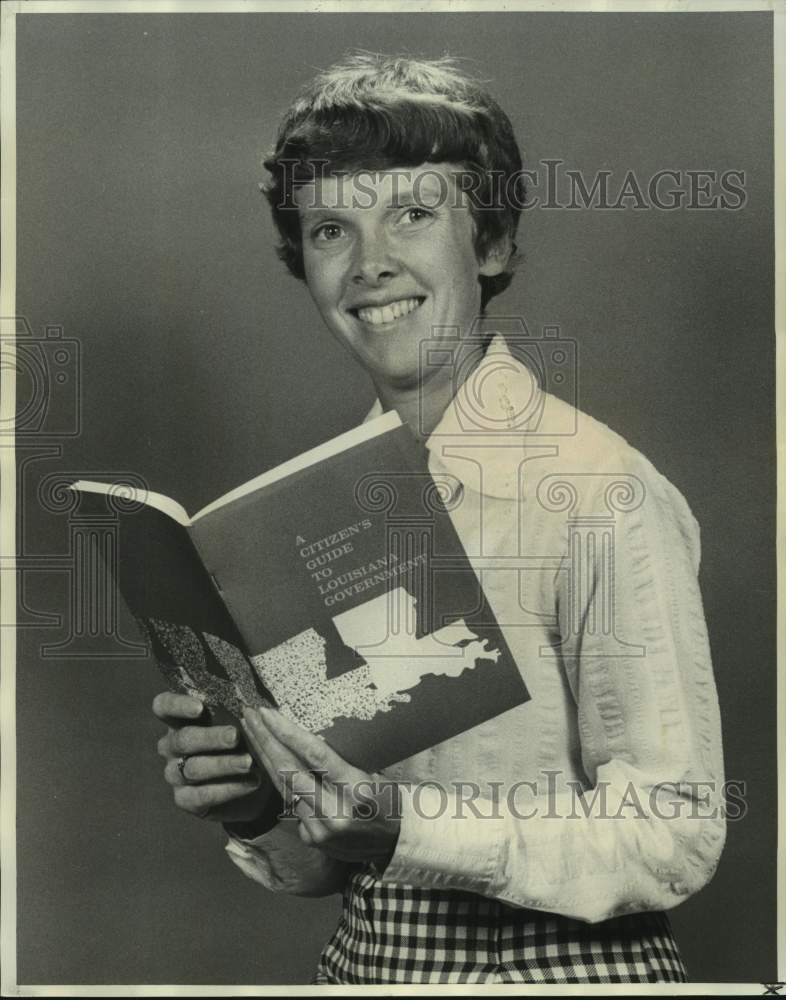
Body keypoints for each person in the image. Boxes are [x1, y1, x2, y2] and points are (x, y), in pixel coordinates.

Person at [153, 53, 726, 984]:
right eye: (332, 228)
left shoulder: (598, 491)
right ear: (304, 265)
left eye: (413, 215)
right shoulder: (320, 511)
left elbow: (676, 834)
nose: (372, 263)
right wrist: (258, 802)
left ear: (491, 244)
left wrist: (411, 826)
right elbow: (342, 861)